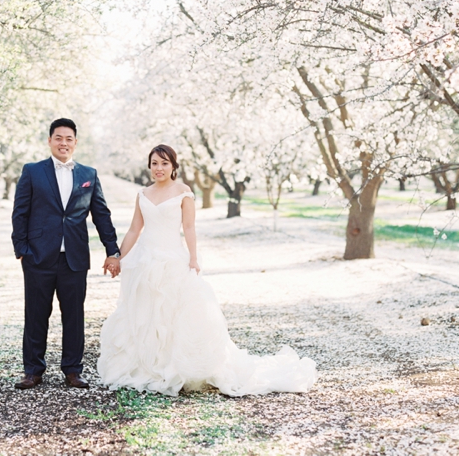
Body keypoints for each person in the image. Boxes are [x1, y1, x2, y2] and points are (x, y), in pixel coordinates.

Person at [97, 144, 317, 397]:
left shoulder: (183, 192)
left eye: (164, 163)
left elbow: (189, 228)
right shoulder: (143, 194)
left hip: (172, 258)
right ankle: (147, 366)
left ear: (173, 167)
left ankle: (173, 367)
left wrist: (193, 258)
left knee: (174, 312)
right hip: (146, 260)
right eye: (155, 163)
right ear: (149, 166)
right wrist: (117, 257)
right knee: (145, 312)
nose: (159, 168)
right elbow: (135, 229)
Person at [11, 118, 121, 390]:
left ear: (75, 142)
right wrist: (22, 250)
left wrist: (113, 250)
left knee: (74, 315)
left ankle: (73, 370)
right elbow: (20, 213)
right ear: (50, 141)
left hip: (74, 258)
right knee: (36, 315)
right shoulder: (33, 171)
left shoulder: (88, 175)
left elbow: (102, 216)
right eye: (58, 138)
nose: (63, 142)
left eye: (68, 138)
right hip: (38, 257)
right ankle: (33, 371)